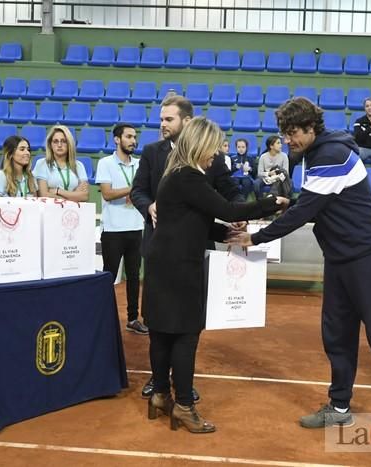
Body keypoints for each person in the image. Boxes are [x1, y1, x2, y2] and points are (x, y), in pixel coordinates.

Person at [227, 97, 371, 448]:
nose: (288, 140)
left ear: (310, 128)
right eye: (284, 134)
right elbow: (317, 204)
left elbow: (305, 212)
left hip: (365, 256)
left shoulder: (329, 154)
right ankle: (339, 405)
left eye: (292, 134)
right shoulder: (319, 154)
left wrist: (255, 237)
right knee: (337, 335)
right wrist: (302, 203)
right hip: (339, 258)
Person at [143, 116, 284, 433]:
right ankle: (183, 406)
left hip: (162, 264)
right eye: (214, 148)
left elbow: (195, 223)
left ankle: (161, 397)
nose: (217, 155)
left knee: (162, 333)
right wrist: (271, 203)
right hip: (180, 267)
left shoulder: (175, 176)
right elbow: (230, 210)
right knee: (186, 335)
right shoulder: (190, 177)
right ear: (200, 146)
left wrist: (226, 235)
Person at [130, 95, 242, 402]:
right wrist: (149, 206)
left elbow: (231, 193)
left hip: (195, 248)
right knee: (160, 322)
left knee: (186, 323)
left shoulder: (212, 157)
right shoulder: (153, 152)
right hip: (158, 247)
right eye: (161, 119)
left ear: (187, 121)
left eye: (169, 119)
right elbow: (138, 191)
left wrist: (241, 214)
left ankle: (181, 382)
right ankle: (160, 383)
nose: (162, 124)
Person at [95, 123, 147, 335]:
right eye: (128, 137)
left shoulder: (140, 164)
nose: (133, 141)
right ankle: (102, 317)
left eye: (134, 137)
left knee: (134, 277)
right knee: (109, 276)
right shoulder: (105, 163)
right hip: (113, 230)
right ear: (117, 139)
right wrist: (134, 189)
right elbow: (107, 193)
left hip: (136, 228)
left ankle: (133, 318)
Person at [33, 125, 89, 202]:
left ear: (69, 144)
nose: (59, 145)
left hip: (72, 211)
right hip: (49, 211)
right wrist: (73, 195)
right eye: (55, 141)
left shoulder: (79, 165)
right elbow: (43, 195)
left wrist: (58, 191)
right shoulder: (42, 163)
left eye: (63, 141)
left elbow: (84, 196)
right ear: (50, 145)